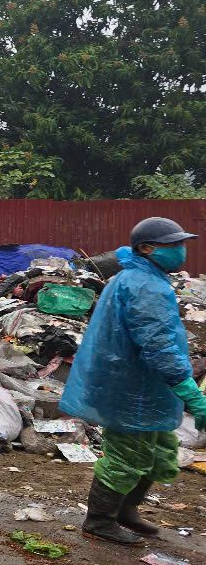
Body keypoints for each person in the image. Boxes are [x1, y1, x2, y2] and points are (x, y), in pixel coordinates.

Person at [61, 217, 206, 545]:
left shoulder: (141, 277)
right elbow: (157, 343)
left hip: (141, 386)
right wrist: (189, 390)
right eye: (173, 245)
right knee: (128, 457)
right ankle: (99, 520)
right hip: (132, 389)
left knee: (157, 451)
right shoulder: (143, 285)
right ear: (147, 248)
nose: (181, 251)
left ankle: (126, 510)